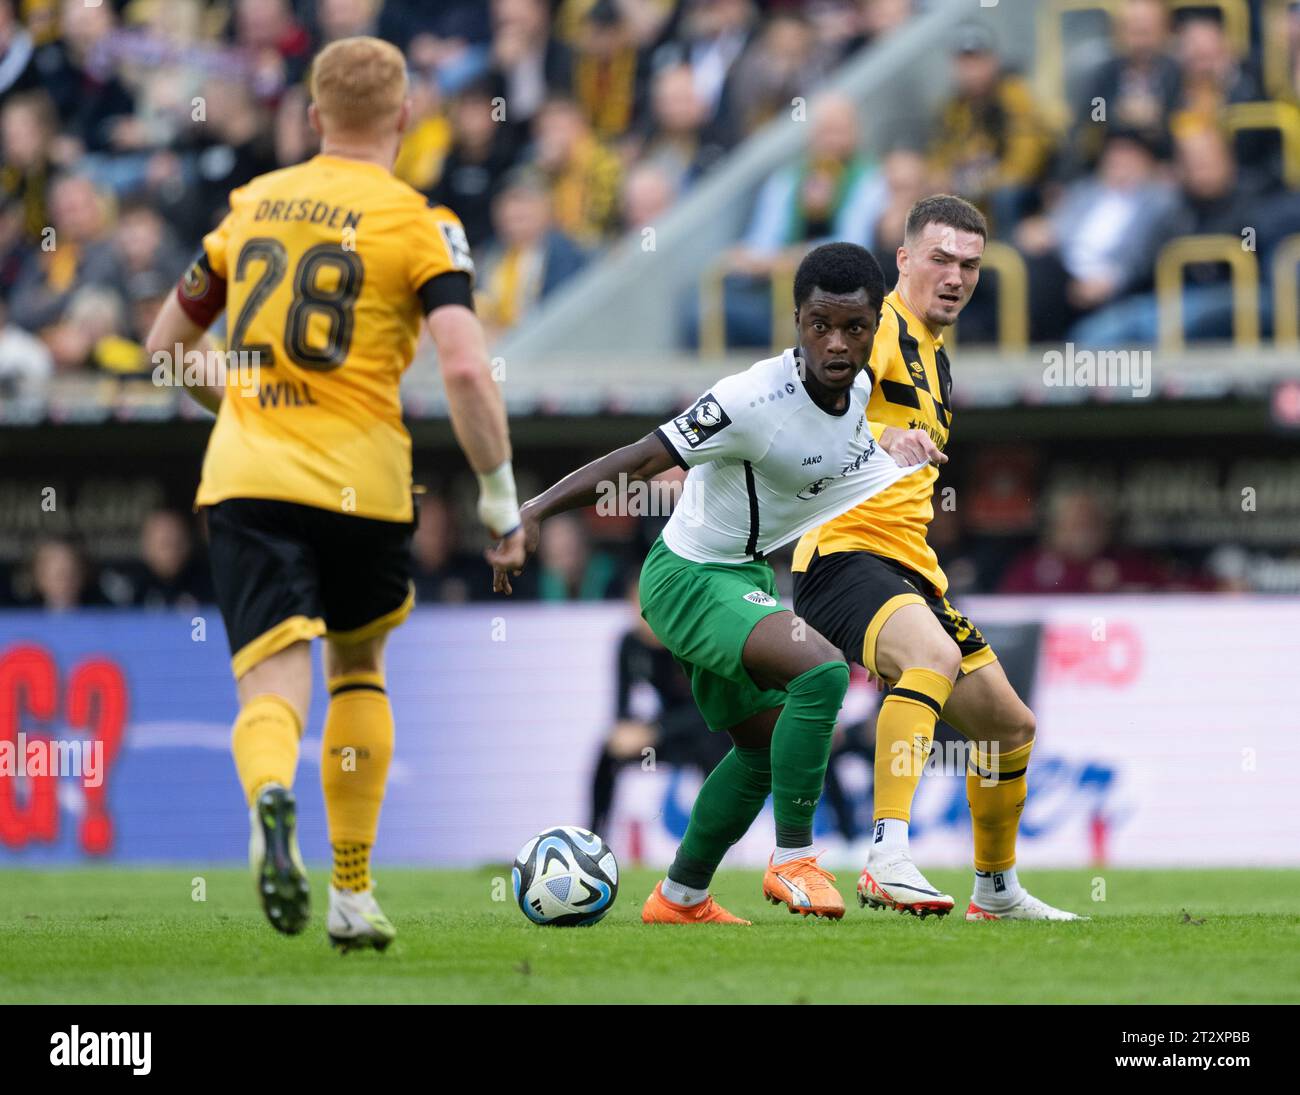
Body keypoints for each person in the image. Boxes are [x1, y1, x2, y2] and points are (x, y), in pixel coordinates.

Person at [145, 36, 525, 950]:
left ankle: (270, 796)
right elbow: (467, 366)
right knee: (357, 671)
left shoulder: (251, 206)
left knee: (271, 689)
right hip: (363, 484)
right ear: (403, 119)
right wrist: (498, 498)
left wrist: (240, 395)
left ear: (313, 118)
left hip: (249, 475)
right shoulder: (419, 223)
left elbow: (165, 345)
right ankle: (353, 893)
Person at [489, 241, 936, 924]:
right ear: (796, 320)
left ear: (878, 323)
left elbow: (829, 464)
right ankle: (793, 859)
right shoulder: (751, 397)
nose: (836, 343)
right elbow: (640, 458)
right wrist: (530, 513)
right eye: (820, 325)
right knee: (820, 673)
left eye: (854, 327)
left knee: (760, 751)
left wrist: (889, 453)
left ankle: (681, 895)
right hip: (689, 577)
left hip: (743, 576)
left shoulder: (862, 396)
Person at [791, 195, 1082, 921]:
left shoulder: (937, 356)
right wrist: (876, 440)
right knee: (930, 657)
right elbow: (806, 399)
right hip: (841, 552)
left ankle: (996, 889)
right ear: (903, 259)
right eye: (941, 259)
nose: (955, 276)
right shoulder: (876, 328)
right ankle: (886, 855)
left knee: (1008, 727)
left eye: (970, 265)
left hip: (908, 567)